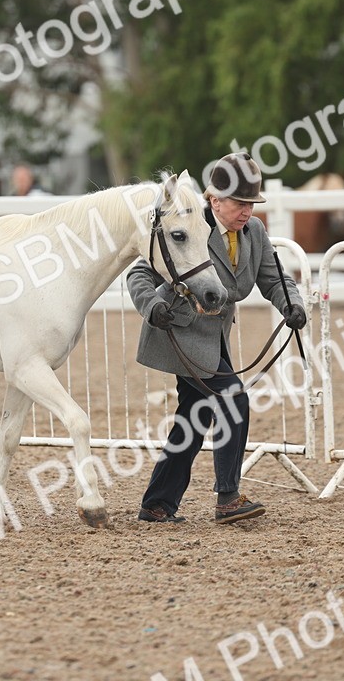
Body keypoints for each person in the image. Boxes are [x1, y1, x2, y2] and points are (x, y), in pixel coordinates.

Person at [127, 152, 308, 524]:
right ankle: (228, 499)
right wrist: (151, 307)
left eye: (251, 203)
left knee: (194, 418)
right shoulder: (190, 225)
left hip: (215, 339)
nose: (246, 211)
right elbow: (140, 273)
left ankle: (157, 504)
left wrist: (293, 305)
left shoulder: (254, 232)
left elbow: (275, 279)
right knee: (232, 398)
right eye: (239, 203)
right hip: (178, 331)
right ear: (214, 200)